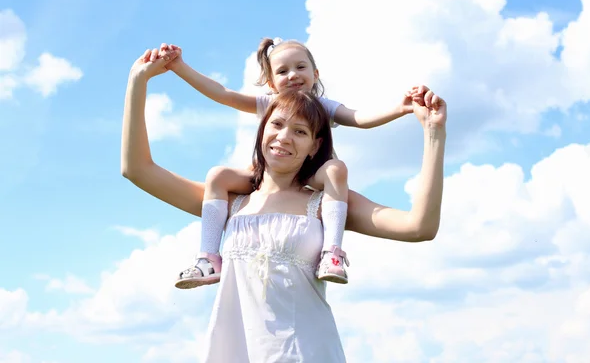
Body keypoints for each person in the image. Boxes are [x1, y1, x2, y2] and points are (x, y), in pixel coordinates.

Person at [121, 47, 447, 362]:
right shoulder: (229, 203)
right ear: (262, 128)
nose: (284, 137)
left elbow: (419, 227)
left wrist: (434, 134)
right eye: (276, 125)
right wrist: (139, 81)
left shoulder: (325, 203)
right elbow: (137, 170)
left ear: (315, 145)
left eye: (300, 131)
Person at [156, 38, 415, 289]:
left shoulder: (323, 106)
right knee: (218, 175)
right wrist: (179, 67)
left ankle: (331, 253)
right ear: (271, 82)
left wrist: (399, 109)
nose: (293, 75)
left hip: (310, 174)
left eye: (300, 67)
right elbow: (223, 94)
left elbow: (358, 118)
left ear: (315, 73)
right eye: (282, 71)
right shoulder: (270, 103)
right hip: (267, 174)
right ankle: (209, 259)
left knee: (336, 169)